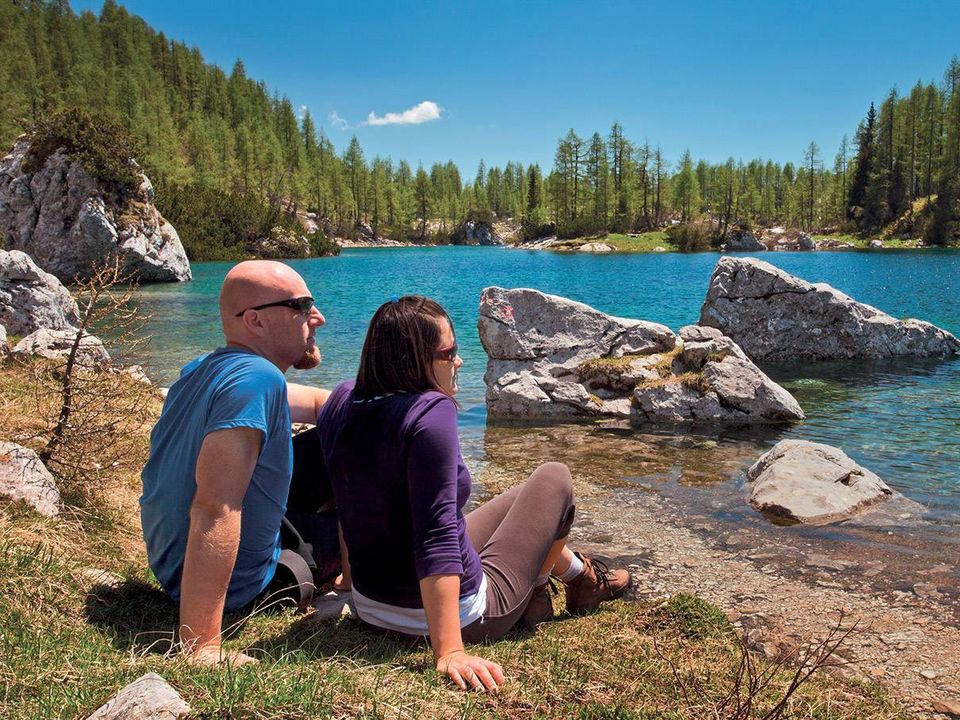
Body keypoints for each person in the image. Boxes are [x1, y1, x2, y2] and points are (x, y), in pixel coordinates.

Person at [314, 296, 631, 691]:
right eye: (449, 352)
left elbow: (350, 503)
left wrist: (347, 586)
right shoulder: (431, 411)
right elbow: (437, 533)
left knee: (524, 496)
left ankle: (578, 574)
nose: (459, 361)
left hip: (373, 606)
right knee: (556, 477)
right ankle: (543, 592)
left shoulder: (340, 401)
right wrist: (450, 651)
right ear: (416, 361)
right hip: (461, 616)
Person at [140, 260, 335, 667]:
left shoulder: (205, 370)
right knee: (361, 454)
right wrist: (202, 644)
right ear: (256, 322)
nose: (318, 317)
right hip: (243, 586)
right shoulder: (257, 380)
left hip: (171, 568)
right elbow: (215, 507)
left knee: (342, 429)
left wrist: (392, 400)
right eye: (302, 305)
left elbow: (325, 405)